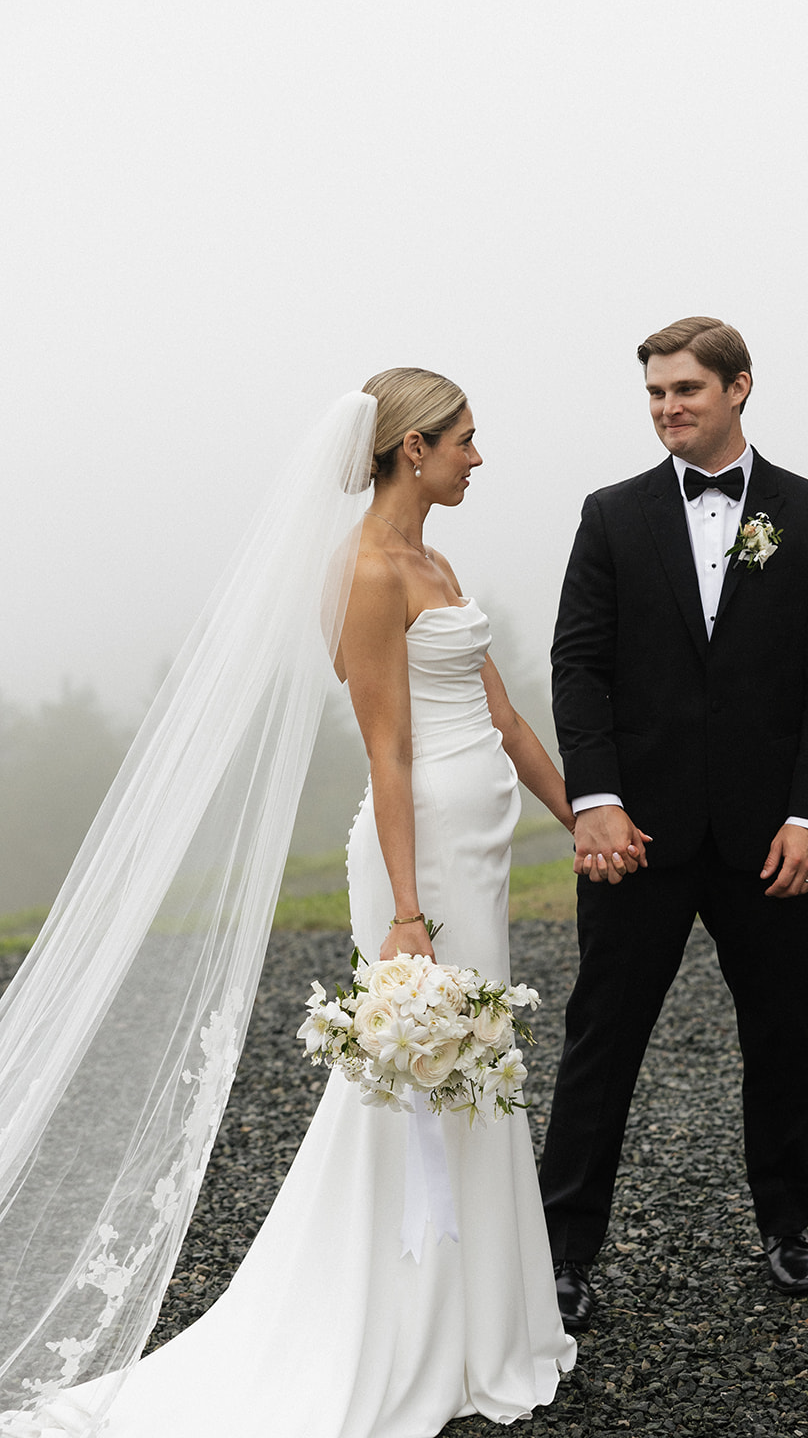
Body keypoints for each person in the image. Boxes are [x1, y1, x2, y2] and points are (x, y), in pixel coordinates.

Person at [0, 372, 575, 1438]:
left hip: (476, 850)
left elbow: (500, 708)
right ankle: (391, 1325)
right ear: (413, 449)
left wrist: (579, 813)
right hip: (419, 863)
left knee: (480, 1071)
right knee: (416, 1081)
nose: (476, 458)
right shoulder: (362, 572)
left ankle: (478, 1319)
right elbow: (386, 748)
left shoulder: (436, 559)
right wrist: (406, 910)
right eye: (464, 439)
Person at [539, 317, 808, 1330]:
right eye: (653, 393)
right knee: (600, 1038)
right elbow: (577, 666)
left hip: (770, 842)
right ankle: (559, 1251)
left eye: (684, 389)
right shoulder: (609, 516)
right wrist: (595, 802)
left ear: (738, 388)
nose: (666, 407)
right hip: (635, 837)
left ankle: (786, 1225)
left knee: (778, 1033)